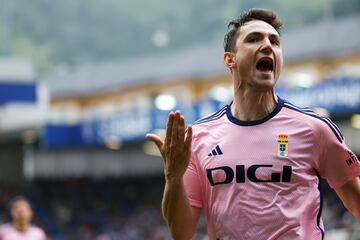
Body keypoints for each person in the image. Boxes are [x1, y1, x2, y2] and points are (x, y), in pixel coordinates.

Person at [146, 8, 360, 240]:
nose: (268, 45)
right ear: (230, 59)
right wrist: (173, 177)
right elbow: (182, 233)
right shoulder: (197, 138)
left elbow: (356, 203)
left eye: (274, 42)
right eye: (254, 39)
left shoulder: (315, 129)